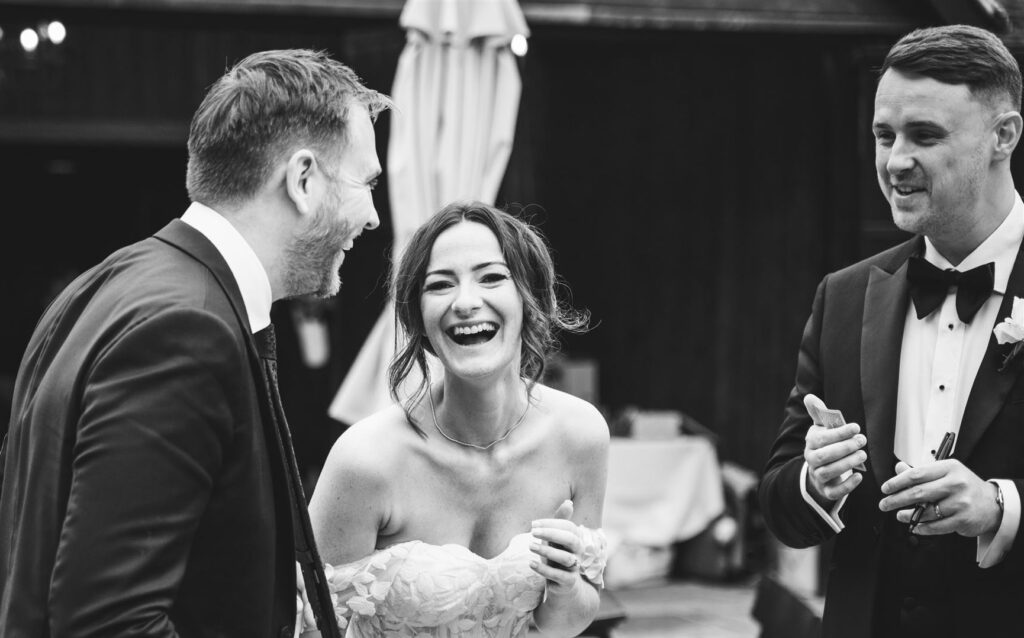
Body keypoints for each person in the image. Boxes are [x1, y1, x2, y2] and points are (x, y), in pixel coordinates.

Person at [0, 49, 389, 637]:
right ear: (303, 179)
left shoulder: (110, 282)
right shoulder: (187, 332)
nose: (374, 217)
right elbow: (108, 622)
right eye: (366, 183)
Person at [759, 25, 1024, 638]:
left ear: (1003, 135)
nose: (894, 160)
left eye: (924, 135)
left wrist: (999, 506)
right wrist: (816, 482)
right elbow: (780, 503)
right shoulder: (846, 296)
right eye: (884, 135)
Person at [309, 202, 610, 637]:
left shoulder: (581, 435)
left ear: (529, 298)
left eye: (491, 277)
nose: (466, 302)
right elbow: (313, 625)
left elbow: (570, 619)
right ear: (419, 317)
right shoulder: (366, 461)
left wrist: (564, 584)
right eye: (440, 285)